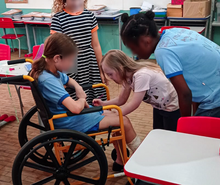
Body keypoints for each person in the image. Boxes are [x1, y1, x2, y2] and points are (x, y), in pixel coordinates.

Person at [30, 33, 141, 172]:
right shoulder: (48, 80)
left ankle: (120, 160)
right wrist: (82, 98)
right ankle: (139, 160)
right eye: (70, 60)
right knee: (123, 121)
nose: (72, 64)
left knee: (114, 116)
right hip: (69, 121)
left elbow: (68, 80)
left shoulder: (50, 71)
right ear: (57, 58)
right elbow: (76, 108)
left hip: (68, 117)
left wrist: (78, 87)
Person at [119, 11, 220, 118]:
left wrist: (184, 126)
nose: (134, 53)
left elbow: (185, 93)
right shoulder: (173, 33)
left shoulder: (163, 52)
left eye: (132, 48)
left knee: (195, 138)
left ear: (145, 41)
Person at [93, 50, 180, 131]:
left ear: (120, 68)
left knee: (169, 134)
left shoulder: (141, 75)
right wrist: (103, 104)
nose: (110, 78)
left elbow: (134, 104)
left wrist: (115, 115)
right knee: (158, 132)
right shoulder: (127, 78)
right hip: (159, 106)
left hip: (171, 107)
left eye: (110, 74)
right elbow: (121, 99)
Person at [50, 0, 107, 103]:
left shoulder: (89, 16)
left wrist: (101, 69)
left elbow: (96, 45)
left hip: (89, 62)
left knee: (95, 95)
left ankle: (97, 117)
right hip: (70, 64)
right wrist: (59, 74)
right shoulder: (58, 18)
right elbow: (56, 49)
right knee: (74, 95)